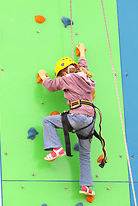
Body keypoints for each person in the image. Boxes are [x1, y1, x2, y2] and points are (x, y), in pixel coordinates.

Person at [38, 43, 96, 196]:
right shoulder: (85, 76)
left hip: (78, 116)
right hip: (90, 120)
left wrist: (43, 76)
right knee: (84, 154)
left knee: (47, 121)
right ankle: (86, 186)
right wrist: (82, 53)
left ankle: (56, 148)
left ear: (63, 72)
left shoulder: (68, 78)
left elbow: (51, 85)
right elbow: (84, 66)